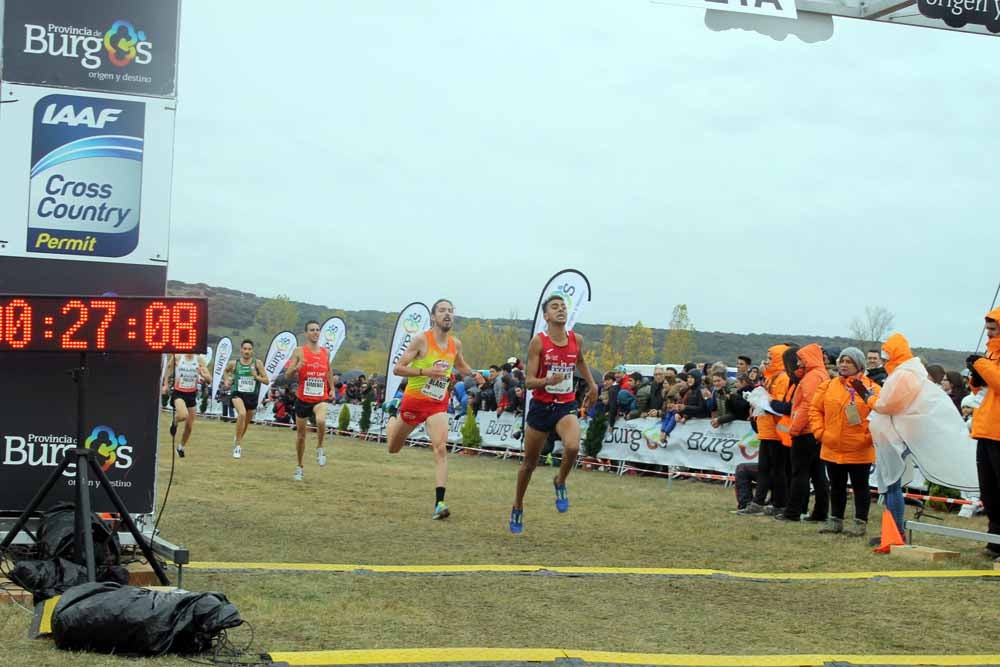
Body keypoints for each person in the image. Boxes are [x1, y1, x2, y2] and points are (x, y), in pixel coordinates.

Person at [509, 294, 598, 534]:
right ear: (546, 316)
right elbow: (528, 382)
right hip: (541, 407)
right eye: (555, 307)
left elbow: (580, 362)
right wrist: (548, 380)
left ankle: (560, 480)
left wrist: (593, 385)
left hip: (564, 405)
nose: (561, 310)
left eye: (563, 307)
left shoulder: (576, 339)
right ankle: (518, 505)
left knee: (572, 447)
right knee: (529, 465)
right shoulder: (538, 342)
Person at [387, 299, 476, 520]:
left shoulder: (456, 344)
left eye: (451, 311)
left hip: (437, 403)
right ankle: (391, 415)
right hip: (413, 403)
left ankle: (439, 503)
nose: (447, 314)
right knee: (393, 448)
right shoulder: (421, 340)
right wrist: (426, 372)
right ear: (433, 317)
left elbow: (460, 365)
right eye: (442, 311)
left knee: (441, 448)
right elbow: (398, 369)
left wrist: (474, 374)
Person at [809, 347, 880, 537]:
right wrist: (820, 432)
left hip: (860, 448)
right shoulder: (828, 386)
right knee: (836, 486)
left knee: (860, 487)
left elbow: (879, 416)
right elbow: (815, 410)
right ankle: (836, 521)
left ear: (859, 365)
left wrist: (867, 438)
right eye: (842, 361)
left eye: (849, 361)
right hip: (832, 445)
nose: (843, 365)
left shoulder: (872, 388)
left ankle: (860, 523)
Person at [777, 343, 829, 523]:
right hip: (814, 431)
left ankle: (793, 512)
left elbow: (807, 405)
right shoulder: (820, 374)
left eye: (801, 359)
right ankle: (820, 512)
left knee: (800, 473)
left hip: (805, 431)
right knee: (818, 474)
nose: (798, 363)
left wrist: (795, 429)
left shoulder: (812, 378)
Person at [739, 345, 791, 516]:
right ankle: (758, 501)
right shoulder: (771, 377)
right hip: (767, 428)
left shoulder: (783, 378)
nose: (766, 361)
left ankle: (778, 503)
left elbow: (779, 404)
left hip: (776, 431)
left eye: (770, 358)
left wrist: (764, 402)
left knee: (777, 470)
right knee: (764, 468)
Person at [284, 320, 337, 481]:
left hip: (320, 398)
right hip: (302, 399)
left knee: (321, 420)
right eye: (312, 330)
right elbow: (288, 375)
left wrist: (332, 389)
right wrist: (296, 367)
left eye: (317, 330)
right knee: (301, 436)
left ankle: (320, 448)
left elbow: (328, 371)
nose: (315, 332)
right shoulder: (299, 351)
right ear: (306, 333)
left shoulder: (325, 352)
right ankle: (299, 467)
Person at [969, 307, 1000, 557]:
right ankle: (994, 540)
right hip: (986, 430)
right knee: (989, 491)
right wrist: (975, 377)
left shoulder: (989, 358)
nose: (988, 333)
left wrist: (980, 365)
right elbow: (986, 389)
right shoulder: (991, 354)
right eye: (987, 329)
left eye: (993, 329)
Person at [223, 339, 270, 459]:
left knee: (246, 423)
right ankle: (238, 446)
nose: (247, 351)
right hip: (237, 393)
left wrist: (255, 376)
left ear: (252, 350)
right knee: (242, 414)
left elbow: (266, 380)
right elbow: (226, 371)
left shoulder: (257, 363)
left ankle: (238, 438)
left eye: (249, 349)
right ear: (241, 349)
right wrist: (227, 380)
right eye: (245, 349)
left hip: (252, 396)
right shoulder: (234, 363)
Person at [161, 353, 211, 457]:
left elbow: (209, 379)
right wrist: (165, 384)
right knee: (183, 415)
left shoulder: (199, 359)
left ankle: (181, 447)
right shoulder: (178, 356)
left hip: (191, 394)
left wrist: (203, 375)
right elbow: (169, 368)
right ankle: (175, 421)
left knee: (189, 426)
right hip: (179, 393)